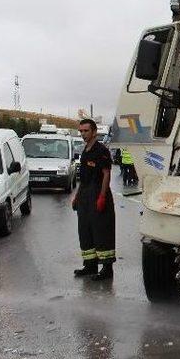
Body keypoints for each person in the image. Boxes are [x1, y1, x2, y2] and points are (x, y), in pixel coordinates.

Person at [71, 119, 115, 280]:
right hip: (85, 195)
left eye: (86, 131)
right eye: (81, 131)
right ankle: (90, 266)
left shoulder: (101, 150)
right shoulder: (85, 151)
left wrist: (102, 196)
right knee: (85, 230)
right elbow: (83, 178)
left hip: (97, 193)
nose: (83, 134)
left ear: (94, 132)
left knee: (101, 231)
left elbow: (106, 174)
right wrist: (76, 196)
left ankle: (107, 268)